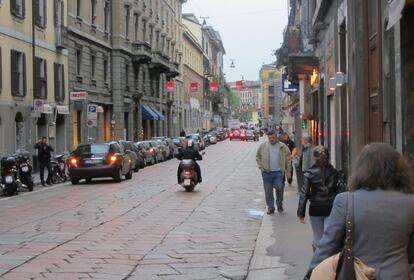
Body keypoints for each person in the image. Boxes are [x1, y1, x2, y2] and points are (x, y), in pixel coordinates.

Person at [305, 143, 414, 280]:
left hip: (357, 275)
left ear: (362, 170)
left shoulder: (346, 201)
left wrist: (309, 275)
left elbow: (327, 247)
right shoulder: (410, 203)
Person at [297, 146, 343, 251]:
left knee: (318, 235)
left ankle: (318, 259)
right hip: (331, 206)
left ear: (314, 158)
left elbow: (304, 193)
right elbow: (341, 190)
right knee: (329, 234)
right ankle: (328, 258)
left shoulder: (309, 173)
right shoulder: (335, 172)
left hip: (315, 207)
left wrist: (301, 213)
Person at [256, 130, 292, 214]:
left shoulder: (282, 146)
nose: (271, 139)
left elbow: (288, 158)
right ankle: (271, 207)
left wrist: (288, 171)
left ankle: (279, 204)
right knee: (268, 192)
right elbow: (258, 156)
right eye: (270, 138)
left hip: (278, 173)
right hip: (266, 172)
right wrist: (260, 166)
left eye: (273, 137)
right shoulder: (263, 146)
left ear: (276, 137)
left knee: (279, 187)